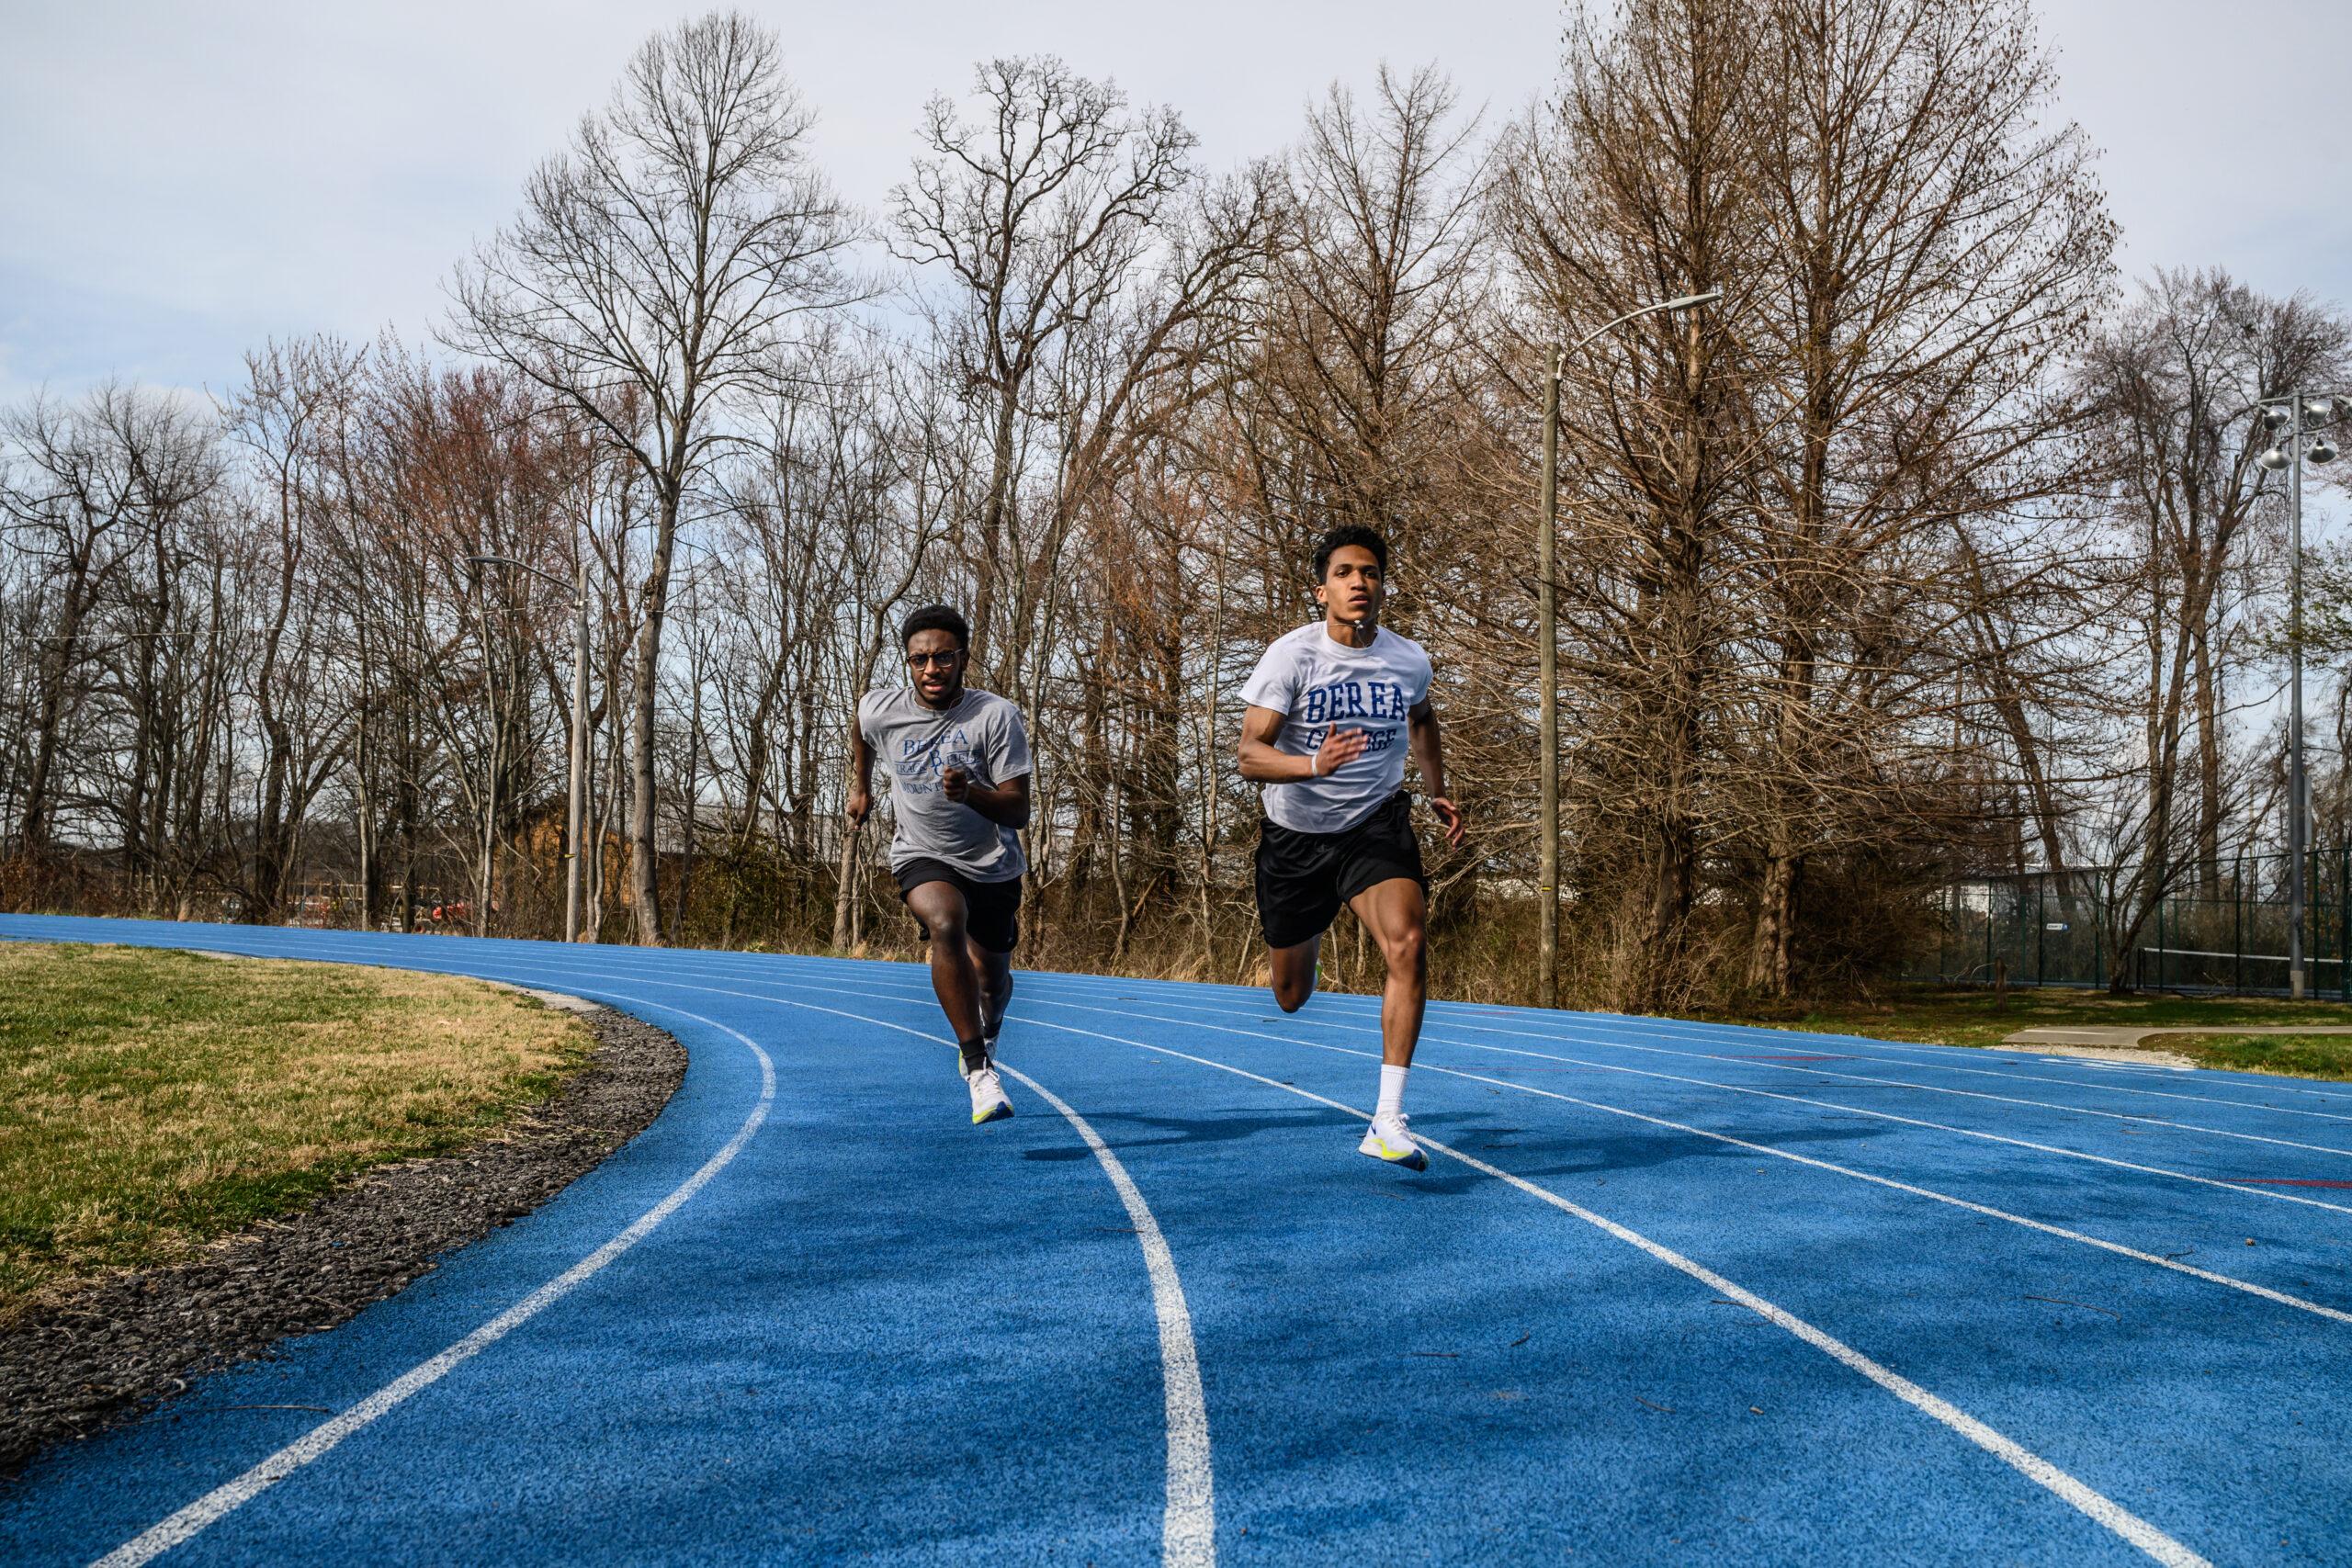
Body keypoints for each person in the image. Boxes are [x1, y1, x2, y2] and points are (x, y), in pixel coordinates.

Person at [1238, 525, 1464, 1170]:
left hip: (1375, 825)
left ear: (1382, 585)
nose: (1358, 582)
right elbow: (1249, 755)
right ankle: (1294, 951)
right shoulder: (1291, 657)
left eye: (1369, 572)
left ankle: (1388, 1119)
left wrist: (1437, 788)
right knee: (1290, 993)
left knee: (1408, 942)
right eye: (1344, 573)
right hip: (1297, 839)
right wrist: (1313, 764)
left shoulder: (1407, 659)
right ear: (1322, 590)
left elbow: (1421, 716)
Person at [847, 605, 1033, 1124]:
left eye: (943, 657)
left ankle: (988, 1029)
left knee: (993, 981)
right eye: (920, 659)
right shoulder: (883, 709)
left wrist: (971, 793)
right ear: (908, 662)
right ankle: (979, 1070)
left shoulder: (995, 716)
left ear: (963, 659)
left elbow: (1017, 809)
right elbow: (860, 726)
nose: (932, 669)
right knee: (945, 922)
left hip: (992, 863)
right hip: (922, 853)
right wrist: (860, 788)